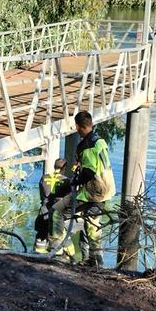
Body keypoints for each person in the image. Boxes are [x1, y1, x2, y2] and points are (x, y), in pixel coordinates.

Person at [50, 111, 116, 266]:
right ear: (91, 124)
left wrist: (75, 181)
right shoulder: (100, 141)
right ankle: (95, 259)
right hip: (107, 189)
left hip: (93, 191)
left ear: (78, 127)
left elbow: (89, 171)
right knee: (92, 223)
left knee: (56, 211)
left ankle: (59, 252)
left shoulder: (86, 146)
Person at [33, 158, 69, 252]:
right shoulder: (66, 180)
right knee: (59, 236)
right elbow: (68, 199)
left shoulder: (44, 178)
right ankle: (60, 255)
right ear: (64, 168)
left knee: (41, 236)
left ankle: (36, 255)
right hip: (56, 213)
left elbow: (42, 194)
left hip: (43, 210)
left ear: (54, 166)